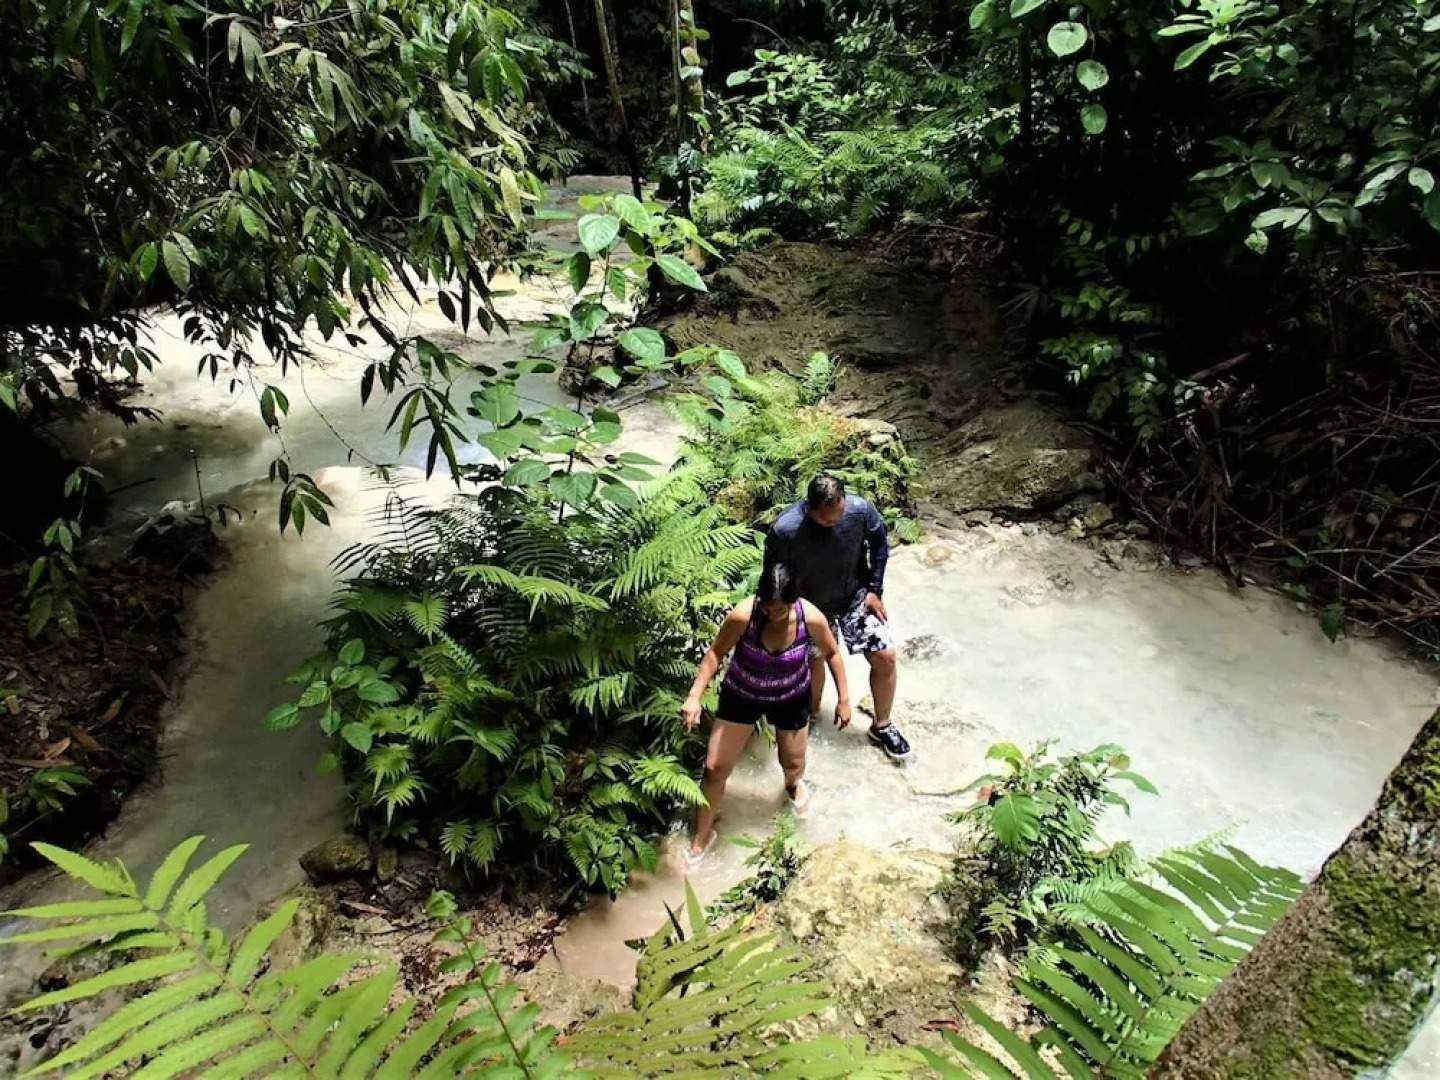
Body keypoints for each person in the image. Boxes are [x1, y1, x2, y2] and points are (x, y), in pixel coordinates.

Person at [681, 562, 851, 864]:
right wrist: (695, 696)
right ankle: (702, 835)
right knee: (714, 767)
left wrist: (844, 699)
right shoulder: (744, 615)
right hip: (742, 694)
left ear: (793, 601)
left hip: (791, 695)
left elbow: (833, 652)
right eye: (767, 609)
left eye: (779, 610)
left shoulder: (809, 618)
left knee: (793, 761)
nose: (772, 615)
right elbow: (715, 653)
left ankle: (792, 785)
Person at [764, 473, 910, 758]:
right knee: (815, 661)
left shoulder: (859, 510)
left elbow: (880, 544)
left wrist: (875, 589)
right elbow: (775, 575)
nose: (834, 523)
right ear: (809, 507)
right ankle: (813, 717)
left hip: (856, 597)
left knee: (885, 656)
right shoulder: (786, 528)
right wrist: (783, 614)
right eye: (827, 520)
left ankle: (882, 725)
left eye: (838, 515)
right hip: (811, 606)